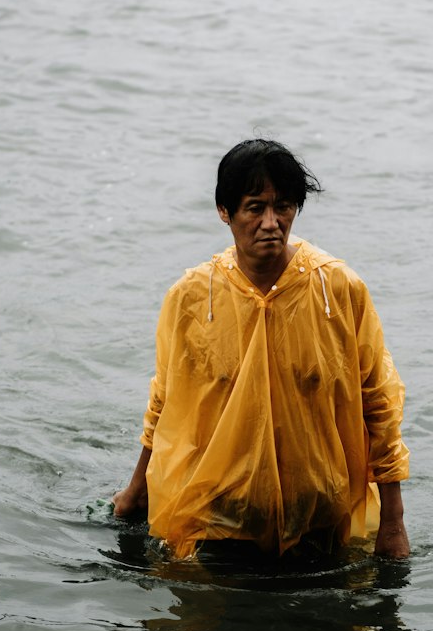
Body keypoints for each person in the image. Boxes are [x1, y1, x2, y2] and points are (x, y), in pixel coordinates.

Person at [112, 140, 410, 560]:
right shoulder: (195, 298)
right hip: (221, 517)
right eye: (255, 208)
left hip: (317, 520)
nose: (271, 222)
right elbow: (165, 401)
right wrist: (137, 490)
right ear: (225, 213)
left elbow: (378, 401)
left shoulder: (338, 290)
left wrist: (394, 525)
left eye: (283, 207)